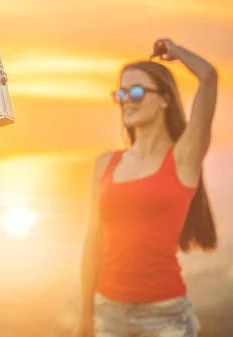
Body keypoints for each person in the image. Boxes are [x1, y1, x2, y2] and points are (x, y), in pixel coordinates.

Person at [75, 39, 218, 337]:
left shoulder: (183, 158)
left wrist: (175, 51)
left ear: (165, 99)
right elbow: (93, 242)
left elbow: (208, 76)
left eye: (137, 91)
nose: (127, 99)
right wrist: (85, 316)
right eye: (121, 93)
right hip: (107, 312)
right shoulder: (106, 163)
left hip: (165, 316)